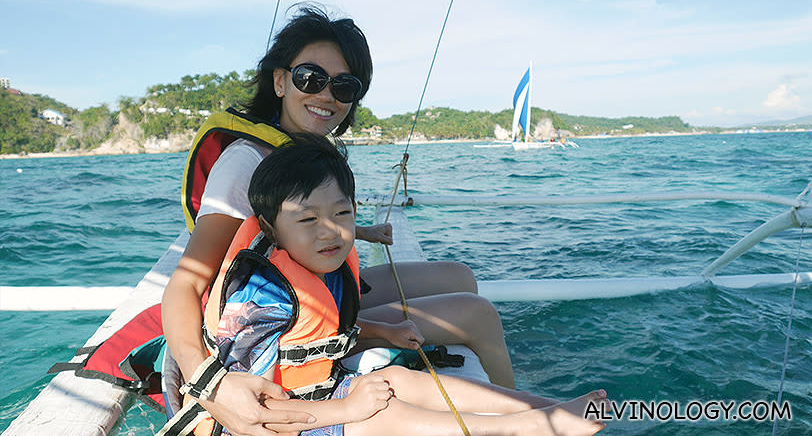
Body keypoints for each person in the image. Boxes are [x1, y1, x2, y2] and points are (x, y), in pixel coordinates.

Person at [161, 4, 514, 436]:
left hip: (317, 293)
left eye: (344, 86)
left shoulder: (298, 152)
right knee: (477, 314)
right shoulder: (245, 162)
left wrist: (361, 232)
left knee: (459, 275)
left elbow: (281, 231)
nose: (327, 95)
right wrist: (209, 383)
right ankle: (521, 418)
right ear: (279, 80)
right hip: (278, 320)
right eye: (310, 78)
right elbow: (186, 283)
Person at [162, 133, 607, 436]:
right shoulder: (265, 298)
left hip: (314, 392)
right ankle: (522, 428)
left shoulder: (316, 267)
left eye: (342, 214)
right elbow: (252, 408)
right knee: (381, 412)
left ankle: (536, 405)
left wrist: (384, 334)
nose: (330, 231)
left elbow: (316, 343)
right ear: (271, 229)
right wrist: (345, 411)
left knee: (395, 378)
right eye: (308, 219)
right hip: (281, 420)